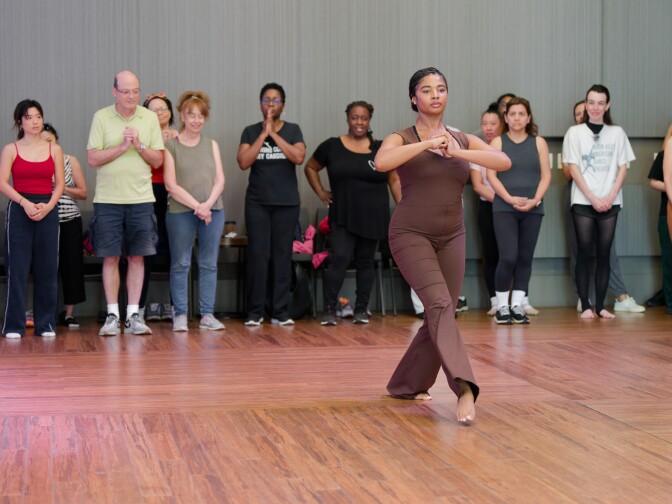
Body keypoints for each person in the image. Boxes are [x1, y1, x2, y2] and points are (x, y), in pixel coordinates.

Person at [375, 67, 511, 424]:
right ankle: (464, 387)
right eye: (427, 89)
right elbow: (381, 161)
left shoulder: (462, 139)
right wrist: (426, 144)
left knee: (443, 312)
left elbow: (503, 161)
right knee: (436, 303)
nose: (435, 94)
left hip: (452, 235)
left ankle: (406, 383)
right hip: (409, 234)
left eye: (441, 88)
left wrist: (458, 152)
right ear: (413, 98)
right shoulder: (401, 137)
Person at [305, 101, 400, 326]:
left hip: (374, 215)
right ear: (348, 118)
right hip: (343, 215)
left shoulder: (381, 148)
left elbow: (393, 179)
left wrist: (403, 207)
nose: (359, 122)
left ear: (369, 120)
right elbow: (310, 167)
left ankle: (361, 309)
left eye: (364, 118)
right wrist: (321, 192)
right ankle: (329, 309)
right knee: (339, 259)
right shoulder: (331, 146)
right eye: (355, 117)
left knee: (366, 262)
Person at [87, 70, 164, 336]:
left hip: (141, 199)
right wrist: (121, 147)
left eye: (136, 91)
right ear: (115, 91)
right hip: (108, 200)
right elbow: (93, 159)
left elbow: (157, 161)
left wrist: (139, 145)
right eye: (126, 91)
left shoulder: (150, 118)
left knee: (137, 257)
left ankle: (133, 315)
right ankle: (112, 315)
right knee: (110, 258)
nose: (132, 96)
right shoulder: (101, 117)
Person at [562, 100, 644, 313]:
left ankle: (601, 306)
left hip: (610, 201)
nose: (593, 108)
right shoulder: (574, 134)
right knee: (582, 250)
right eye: (589, 105)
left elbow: (623, 168)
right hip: (582, 199)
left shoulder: (616, 133)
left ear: (607, 106)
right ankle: (585, 302)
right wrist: (592, 197)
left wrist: (609, 196)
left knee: (606, 253)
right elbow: (570, 170)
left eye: (599, 103)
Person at [237, 83, 306, 326]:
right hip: (258, 203)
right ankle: (255, 313)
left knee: (282, 256)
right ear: (260, 104)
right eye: (266, 100)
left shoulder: (293, 130)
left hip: (286, 203)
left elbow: (298, 157)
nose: (270, 105)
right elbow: (243, 162)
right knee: (258, 255)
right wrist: (263, 134)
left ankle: (280, 312)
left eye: (275, 101)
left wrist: (274, 134)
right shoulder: (250, 131)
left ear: (283, 105)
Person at [0, 100, 64, 338]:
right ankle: (14, 325)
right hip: (19, 209)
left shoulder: (54, 149)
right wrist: (24, 203)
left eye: (38, 116)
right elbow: (2, 182)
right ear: (20, 121)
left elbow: (59, 185)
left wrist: (47, 207)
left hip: (47, 208)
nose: (35, 122)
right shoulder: (11, 149)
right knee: (17, 268)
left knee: (47, 268)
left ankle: (45, 324)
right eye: (29, 117)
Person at [164, 91, 226, 332]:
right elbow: (171, 185)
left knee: (209, 264)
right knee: (180, 263)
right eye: (191, 115)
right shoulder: (171, 145)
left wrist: (207, 204)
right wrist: (198, 207)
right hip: (181, 212)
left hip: (214, 210)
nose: (196, 120)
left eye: (201, 116)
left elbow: (220, 180)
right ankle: (180, 313)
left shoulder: (212, 145)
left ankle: (207, 314)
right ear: (182, 115)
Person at [487, 98, 551, 324]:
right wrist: (508, 198)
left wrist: (535, 200)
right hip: (505, 207)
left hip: (533, 209)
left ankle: (517, 306)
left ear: (528, 118)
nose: (516, 118)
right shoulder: (497, 143)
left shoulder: (539, 143)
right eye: (512, 114)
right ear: (505, 117)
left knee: (525, 258)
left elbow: (546, 176)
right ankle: (502, 307)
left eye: (521, 114)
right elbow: (491, 176)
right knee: (508, 256)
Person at [41, 123, 87, 328]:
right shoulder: (33, 161)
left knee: (72, 266)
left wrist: (60, 187)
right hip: (43, 221)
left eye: (49, 141)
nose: (46, 145)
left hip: (69, 221)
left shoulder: (70, 160)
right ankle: (46, 312)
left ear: (56, 140)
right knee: (46, 267)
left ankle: (69, 313)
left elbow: (83, 192)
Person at [140, 92, 179, 322]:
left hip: (174, 194)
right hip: (148, 193)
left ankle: (178, 308)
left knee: (176, 252)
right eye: (153, 109)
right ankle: (140, 308)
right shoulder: (140, 137)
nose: (160, 112)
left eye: (163, 108)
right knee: (144, 253)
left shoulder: (180, 137)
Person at [470, 106, 502, 316]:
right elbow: (478, 184)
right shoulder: (476, 149)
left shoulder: (506, 147)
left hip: (509, 209)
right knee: (491, 255)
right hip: (488, 207)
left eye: (493, 124)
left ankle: (518, 300)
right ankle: (494, 301)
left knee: (510, 255)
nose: (488, 128)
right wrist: (503, 200)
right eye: (485, 124)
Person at [647, 148, 672, 314]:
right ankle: (670, 303)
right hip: (667, 213)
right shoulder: (666, 153)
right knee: (669, 260)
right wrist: (669, 187)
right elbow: (653, 181)